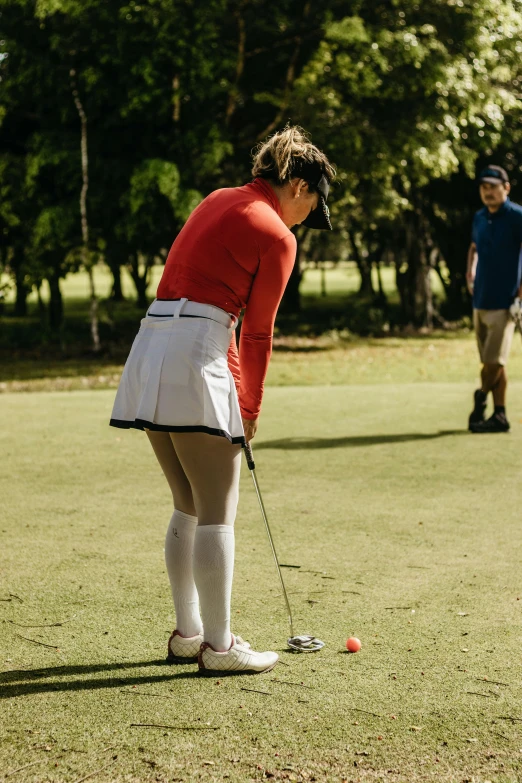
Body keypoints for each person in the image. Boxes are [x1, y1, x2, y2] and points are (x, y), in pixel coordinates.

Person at [110, 127, 335, 675]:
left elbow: (205, 306)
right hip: (196, 350)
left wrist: (236, 397)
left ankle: (188, 635)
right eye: (314, 202)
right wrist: (250, 408)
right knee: (217, 507)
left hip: (152, 341)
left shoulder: (215, 199)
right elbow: (255, 334)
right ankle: (219, 646)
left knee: (186, 499)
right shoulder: (279, 235)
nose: (309, 215)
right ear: (298, 186)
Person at [466, 164, 522, 433]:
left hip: (506, 301)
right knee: (492, 363)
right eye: (484, 187)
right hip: (481, 299)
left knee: (494, 362)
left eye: (493, 187)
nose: (488, 192)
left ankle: (481, 397)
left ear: (506, 188)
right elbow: (474, 246)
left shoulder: (517, 216)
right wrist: (469, 272)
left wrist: (520, 298)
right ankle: (499, 415)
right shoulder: (479, 217)